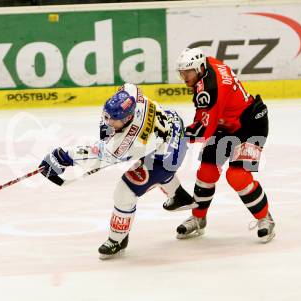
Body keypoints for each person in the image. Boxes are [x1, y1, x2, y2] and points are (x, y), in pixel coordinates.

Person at [38, 83, 196, 259]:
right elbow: (126, 88)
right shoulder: (131, 92)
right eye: (108, 117)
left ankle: (117, 240)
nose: (109, 122)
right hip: (172, 125)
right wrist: (108, 125)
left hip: (167, 157)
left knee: (125, 191)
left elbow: (98, 155)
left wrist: (63, 156)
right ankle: (180, 197)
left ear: (128, 118)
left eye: (114, 120)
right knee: (150, 166)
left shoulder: (127, 142)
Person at [174, 48, 275, 243]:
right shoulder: (208, 64)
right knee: (206, 171)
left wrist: (175, 136)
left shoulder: (210, 89)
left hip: (251, 124)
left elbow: (203, 131)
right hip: (226, 124)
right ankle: (198, 218)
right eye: (182, 72)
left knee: (237, 175)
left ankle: (265, 219)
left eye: (188, 72)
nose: (184, 76)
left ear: (200, 68)